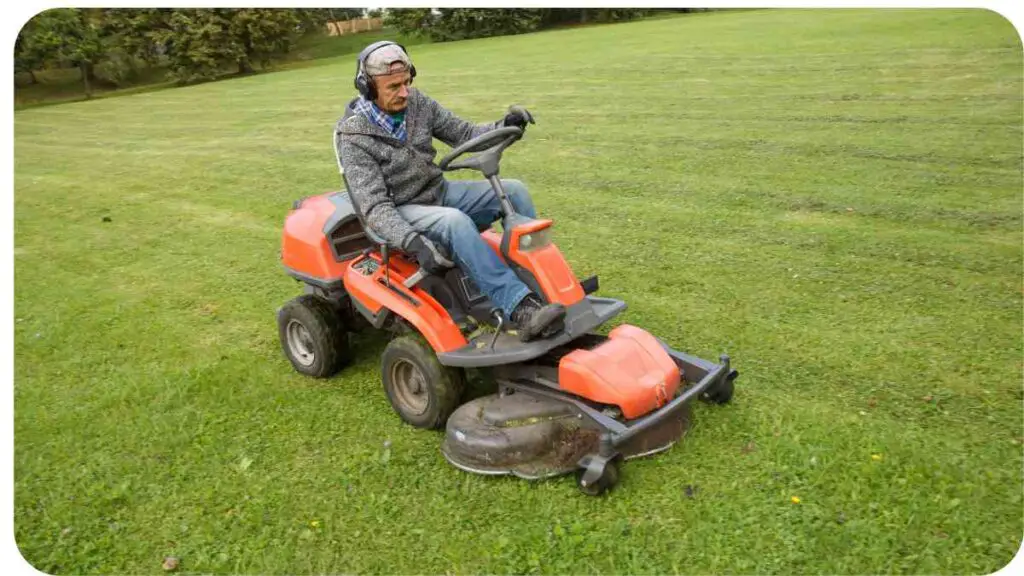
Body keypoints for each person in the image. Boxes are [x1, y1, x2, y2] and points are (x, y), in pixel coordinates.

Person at [335, 41, 566, 342]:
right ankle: (520, 309)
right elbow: (374, 208)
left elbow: (465, 134)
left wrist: (506, 124)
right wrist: (413, 242)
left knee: (513, 191)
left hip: (438, 192)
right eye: (393, 86)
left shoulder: (417, 103)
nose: (404, 92)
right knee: (453, 221)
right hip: (400, 209)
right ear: (368, 88)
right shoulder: (353, 136)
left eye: (407, 82)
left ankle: (541, 288)